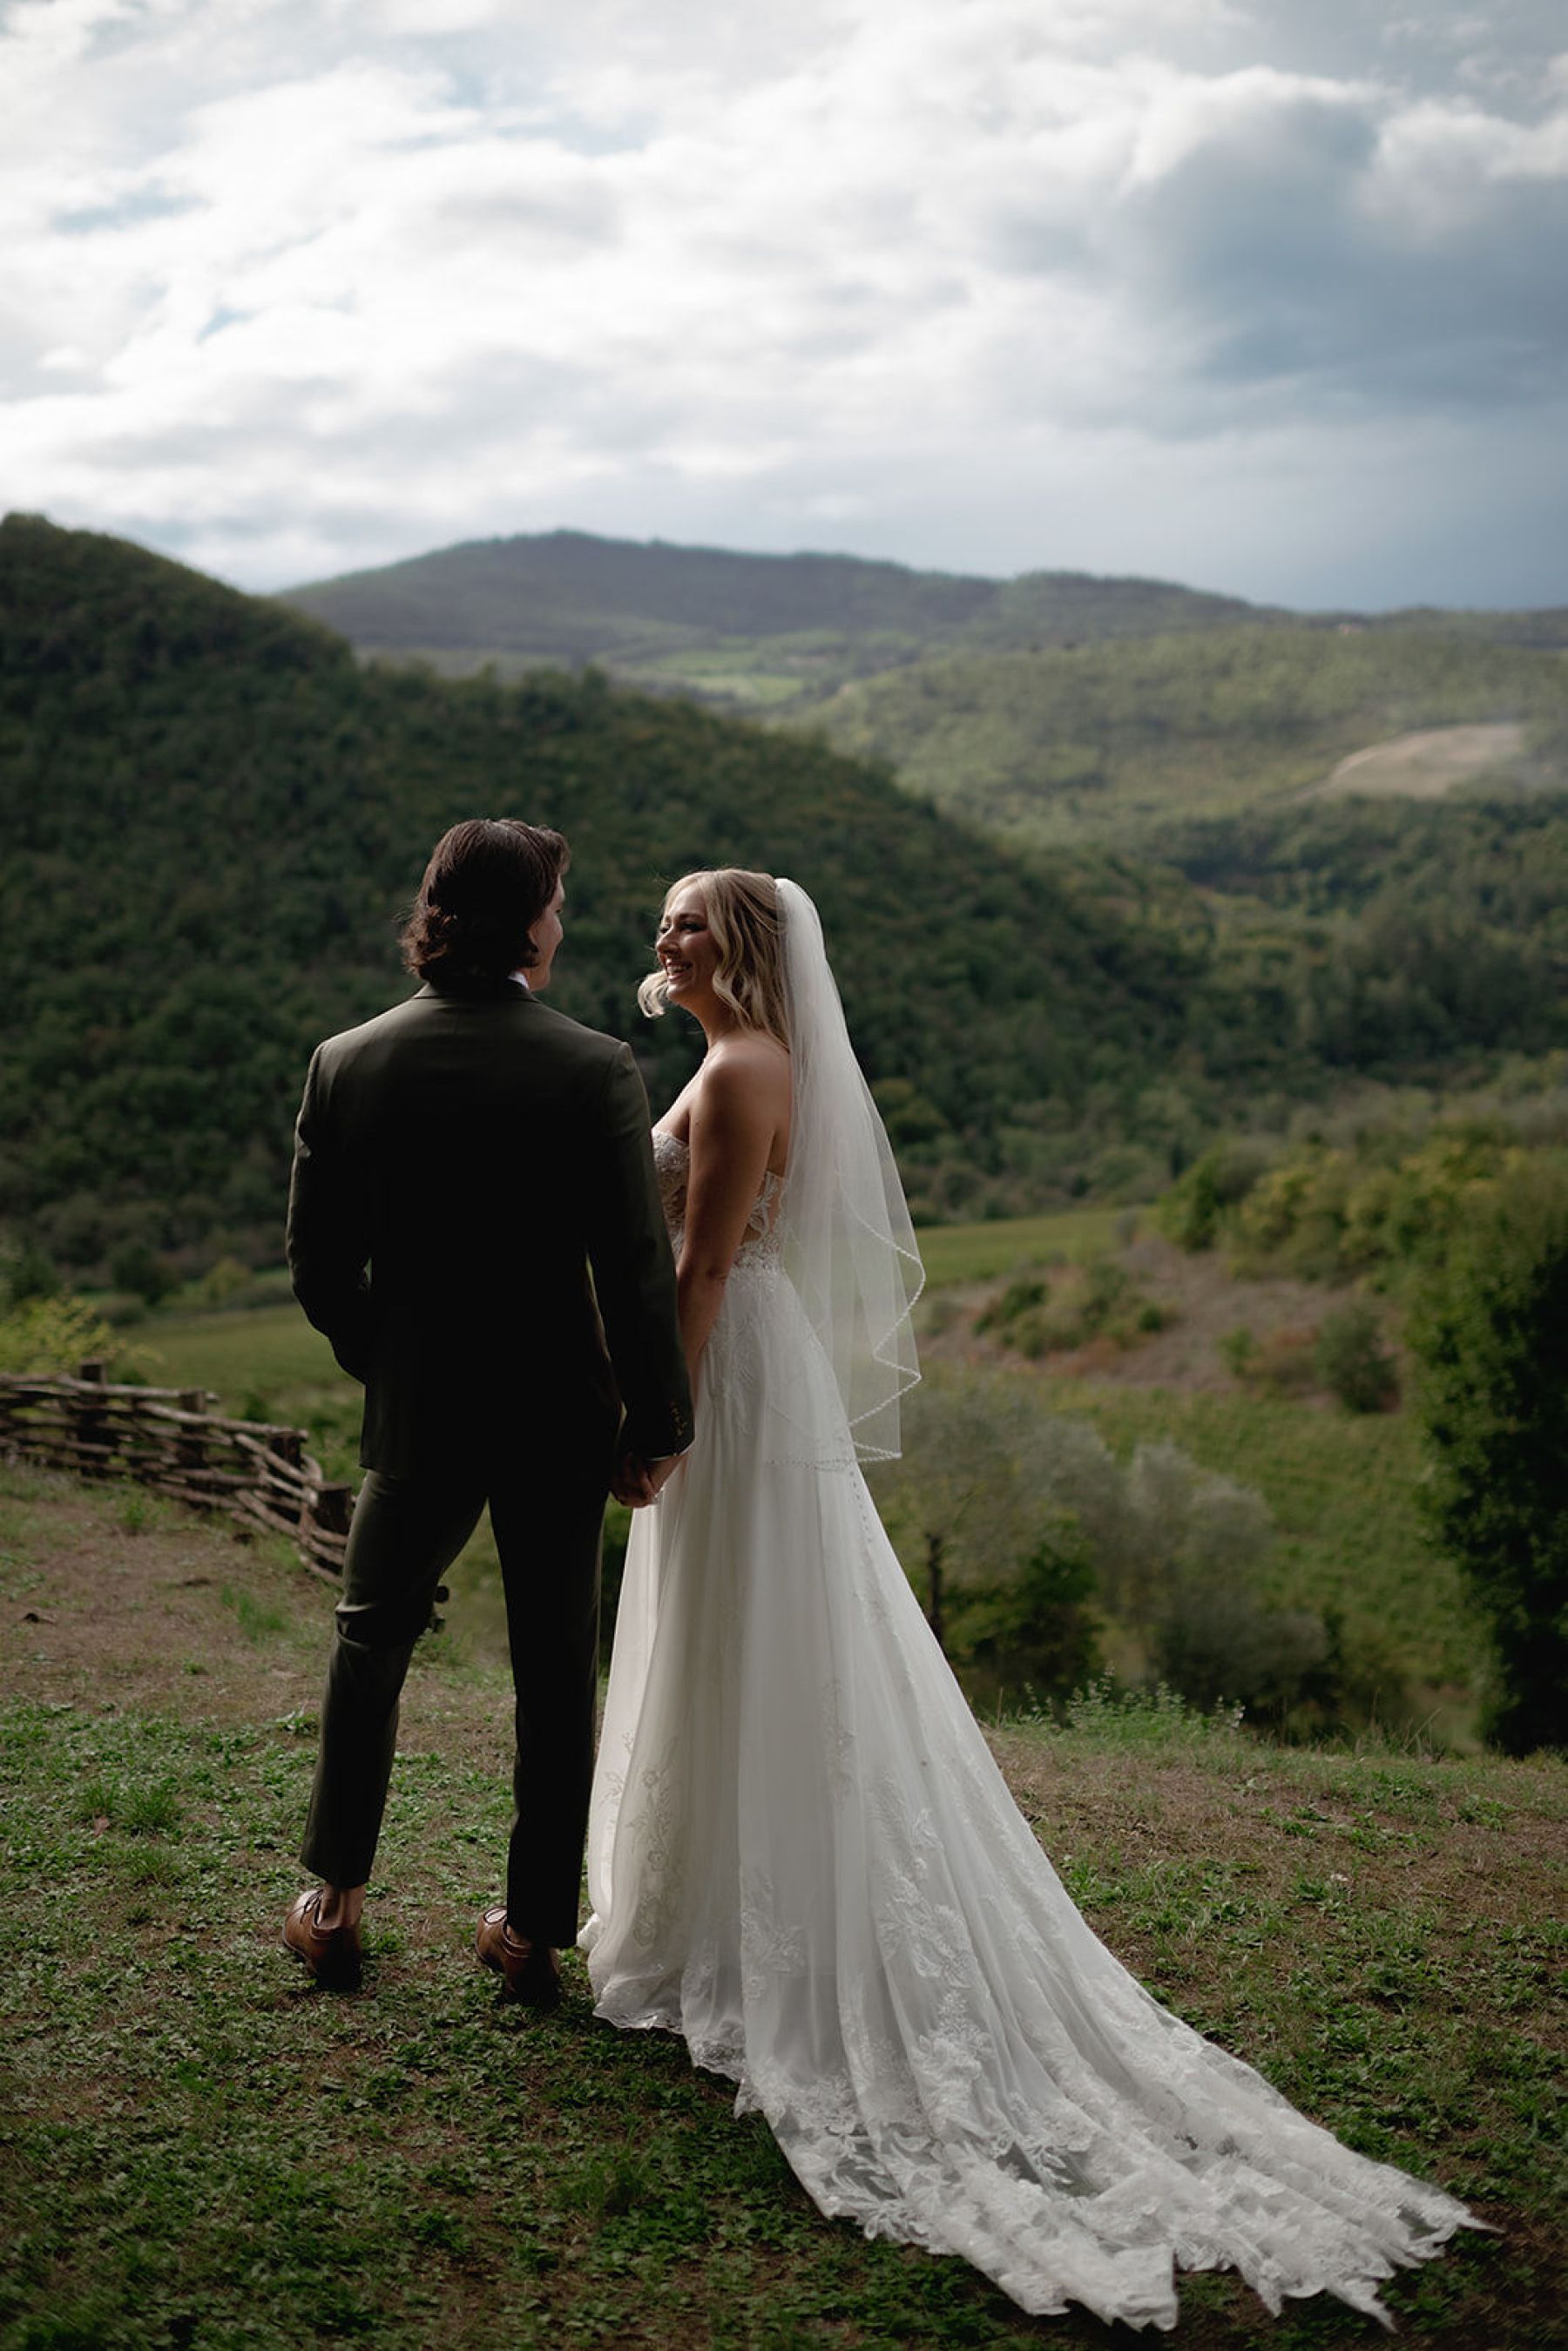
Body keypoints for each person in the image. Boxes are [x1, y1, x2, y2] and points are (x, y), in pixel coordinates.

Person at [581, 868, 1482, 2332]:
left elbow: (698, 1263)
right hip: (752, 1361)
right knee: (736, 1643)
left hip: (733, 1372)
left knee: (762, 1638)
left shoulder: (744, 1068)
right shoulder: (728, 1056)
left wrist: (658, 1416)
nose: (661, 935)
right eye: (664, 918)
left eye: (687, 919)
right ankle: (710, 1917)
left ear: (739, 945)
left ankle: (763, 1931)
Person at [283, 818, 691, 2003]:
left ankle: (335, 1904)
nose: (563, 923)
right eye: (558, 902)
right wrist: (657, 1420)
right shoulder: (594, 1067)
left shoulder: (347, 1061)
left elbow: (317, 1266)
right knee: (557, 1667)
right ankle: (530, 1937)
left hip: (419, 1414)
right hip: (562, 1411)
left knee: (370, 1637)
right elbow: (633, 1266)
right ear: (528, 921)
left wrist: (394, 1361)